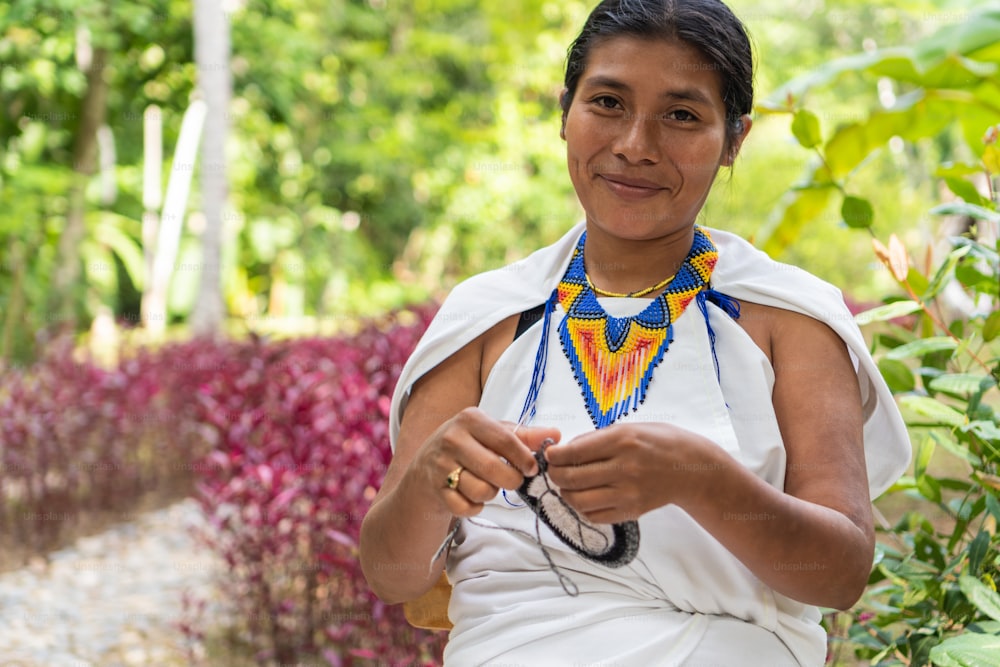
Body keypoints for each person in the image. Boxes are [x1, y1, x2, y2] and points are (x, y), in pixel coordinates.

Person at [360, 0, 911, 664]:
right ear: (565, 112)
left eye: (681, 115)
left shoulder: (788, 317)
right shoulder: (489, 314)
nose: (634, 146)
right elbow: (392, 574)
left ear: (734, 139)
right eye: (608, 103)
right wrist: (432, 481)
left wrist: (702, 479)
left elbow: (841, 572)